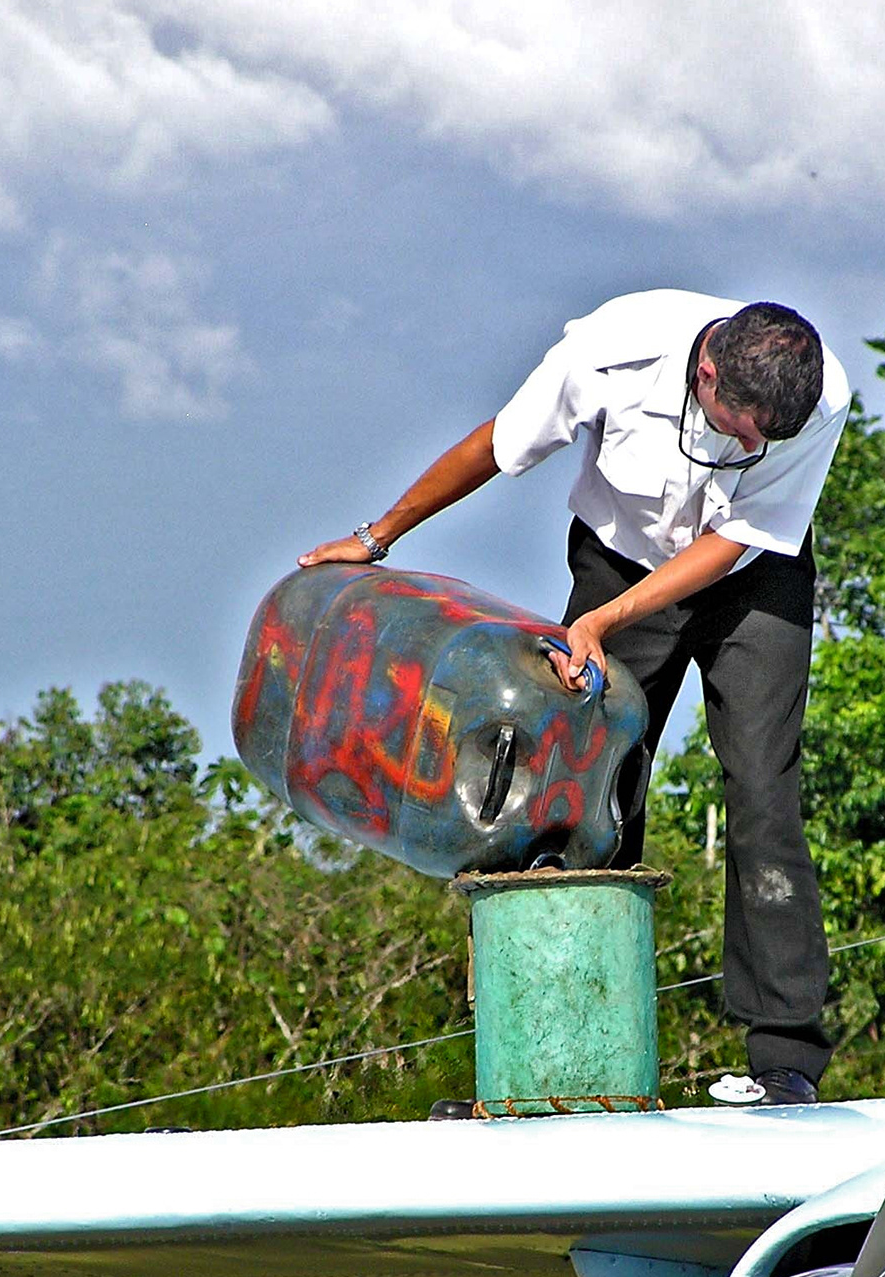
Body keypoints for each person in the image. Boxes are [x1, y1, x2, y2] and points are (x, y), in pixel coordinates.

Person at [300, 289, 851, 1103]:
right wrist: (377, 536)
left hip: (753, 578)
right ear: (707, 373)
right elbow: (497, 446)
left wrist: (601, 622)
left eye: (766, 438)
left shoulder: (820, 393)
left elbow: (734, 539)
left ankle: (786, 1060)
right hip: (620, 556)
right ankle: (569, 1054)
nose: (753, 446)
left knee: (765, 791)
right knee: (585, 787)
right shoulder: (612, 348)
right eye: (741, 430)